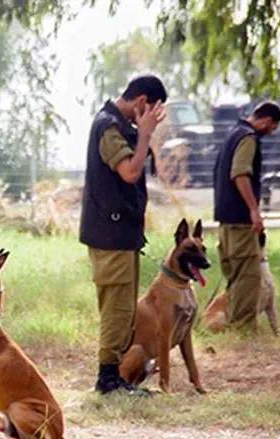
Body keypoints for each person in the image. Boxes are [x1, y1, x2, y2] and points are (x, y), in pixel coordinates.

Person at [79, 74, 167, 395]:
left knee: (125, 309)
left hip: (122, 234)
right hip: (110, 235)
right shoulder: (109, 127)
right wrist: (144, 135)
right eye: (152, 111)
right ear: (142, 102)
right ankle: (107, 381)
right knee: (116, 309)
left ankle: (114, 376)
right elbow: (129, 172)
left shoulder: (119, 125)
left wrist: (141, 134)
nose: (150, 120)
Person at [213, 101, 280, 332]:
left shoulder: (232, 133)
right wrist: (254, 209)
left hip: (225, 219)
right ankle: (242, 330)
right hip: (240, 220)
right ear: (265, 120)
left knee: (235, 275)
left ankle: (234, 324)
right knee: (248, 276)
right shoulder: (249, 138)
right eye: (272, 127)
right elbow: (240, 173)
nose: (270, 132)